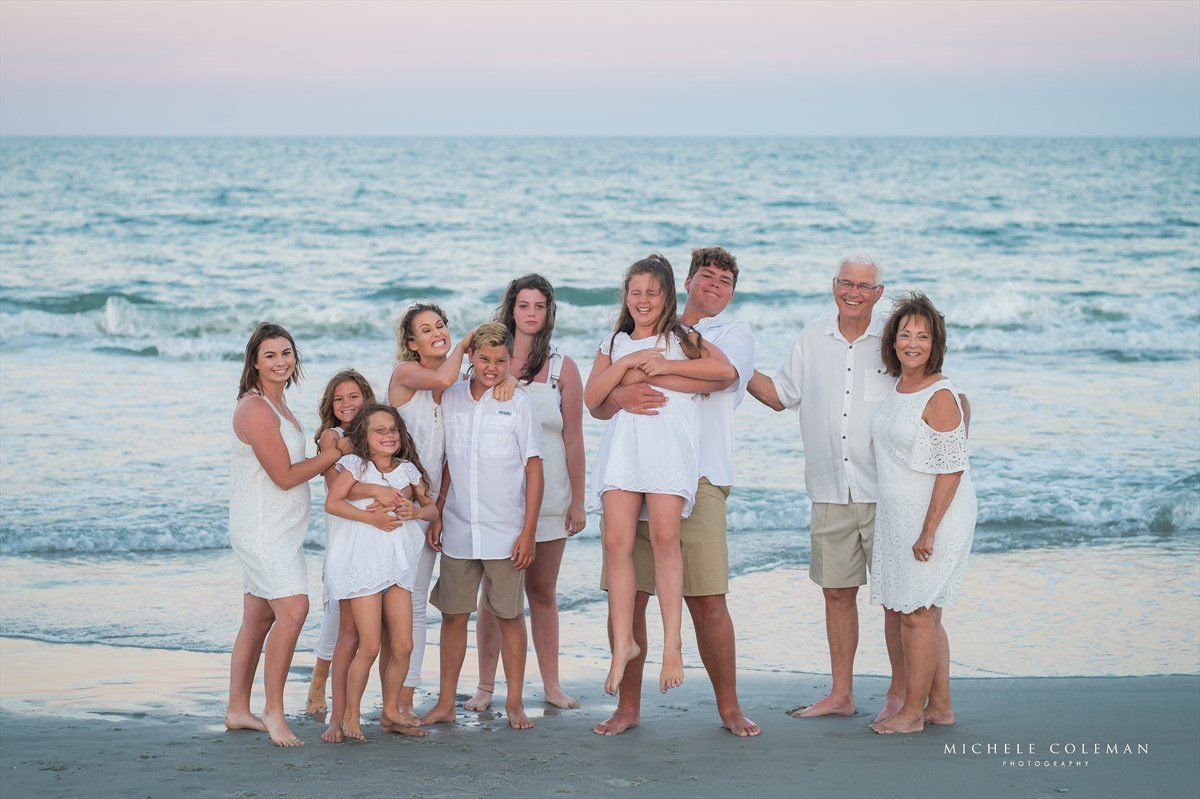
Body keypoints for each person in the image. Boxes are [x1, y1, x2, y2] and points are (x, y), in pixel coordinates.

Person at [593, 246, 762, 737]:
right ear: (685, 282)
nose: (714, 286)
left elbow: (724, 377)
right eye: (706, 276)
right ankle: (627, 707)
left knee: (708, 595)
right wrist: (623, 386)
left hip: (700, 474)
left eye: (725, 280)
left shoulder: (729, 335)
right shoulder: (629, 337)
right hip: (633, 464)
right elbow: (599, 406)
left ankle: (729, 706)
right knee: (629, 589)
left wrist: (648, 371)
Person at [747, 254, 894, 719]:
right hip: (829, 488)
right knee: (836, 592)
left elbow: (928, 388)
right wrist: (732, 362)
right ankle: (842, 695)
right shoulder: (812, 337)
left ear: (879, 293)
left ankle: (902, 695)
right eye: (844, 283)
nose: (852, 292)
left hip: (886, 491)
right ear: (834, 285)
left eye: (863, 286)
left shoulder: (895, 337)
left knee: (899, 598)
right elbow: (779, 396)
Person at [386, 303, 515, 722]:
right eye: (426, 329)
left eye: (440, 325)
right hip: (391, 501)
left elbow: (451, 458)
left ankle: (403, 698)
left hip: (426, 508)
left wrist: (437, 509)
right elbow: (442, 376)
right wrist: (465, 341)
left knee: (417, 603)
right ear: (411, 343)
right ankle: (326, 688)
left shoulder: (459, 386)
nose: (436, 332)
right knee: (364, 601)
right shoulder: (406, 374)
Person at [465, 275, 586, 713]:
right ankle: (483, 686)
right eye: (523, 305)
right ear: (511, 309)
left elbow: (573, 436)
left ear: (548, 312)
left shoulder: (562, 367)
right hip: (495, 500)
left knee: (541, 592)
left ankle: (551, 684)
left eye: (539, 306)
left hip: (550, 494)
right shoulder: (489, 361)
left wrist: (578, 499)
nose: (531, 313)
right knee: (492, 598)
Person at [226, 322, 350, 747]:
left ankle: (237, 709)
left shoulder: (279, 405)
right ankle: (273, 711)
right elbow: (283, 476)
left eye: (286, 353)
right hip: (262, 529)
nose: (281, 362)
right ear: (254, 363)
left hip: (281, 528)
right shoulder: (256, 408)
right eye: (270, 356)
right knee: (294, 609)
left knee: (259, 617)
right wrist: (335, 453)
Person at [420, 323, 544, 731]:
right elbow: (448, 463)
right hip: (457, 528)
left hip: (506, 532)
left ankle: (514, 703)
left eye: (501, 361)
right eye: (484, 359)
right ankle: (445, 702)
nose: (491, 368)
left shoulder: (519, 403)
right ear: (471, 358)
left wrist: (528, 532)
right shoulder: (450, 398)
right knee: (453, 615)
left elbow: (533, 469)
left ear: (512, 361)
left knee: (510, 616)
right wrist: (437, 511)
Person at [868, 292, 976, 735]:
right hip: (900, 515)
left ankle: (912, 714)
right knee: (919, 613)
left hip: (936, 516)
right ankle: (940, 707)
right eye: (905, 334)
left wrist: (928, 530)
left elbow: (952, 468)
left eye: (923, 336)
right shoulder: (900, 386)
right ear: (893, 341)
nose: (913, 343)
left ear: (936, 343)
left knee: (917, 615)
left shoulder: (938, 392)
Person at [321, 404, 438, 742]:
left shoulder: (408, 471)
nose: (388, 436)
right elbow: (333, 502)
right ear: (364, 437)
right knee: (369, 645)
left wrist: (413, 512)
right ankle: (350, 715)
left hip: (398, 563)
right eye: (379, 430)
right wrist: (372, 517)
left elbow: (430, 507)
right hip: (363, 563)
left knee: (403, 644)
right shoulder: (355, 465)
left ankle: (390, 710)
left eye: (393, 429)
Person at [306, 369, 378, 717]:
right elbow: (337, 488)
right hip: (344, 528)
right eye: (338, 398)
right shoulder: (330, 437)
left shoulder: (377, 432)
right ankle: (320, 677)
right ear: (330, 407)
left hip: (373, 529)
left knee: (361, 618)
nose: (346, 404)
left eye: (353, 396)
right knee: (337, 610)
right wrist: (381, 490)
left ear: (366, 398)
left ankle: (350, 694)